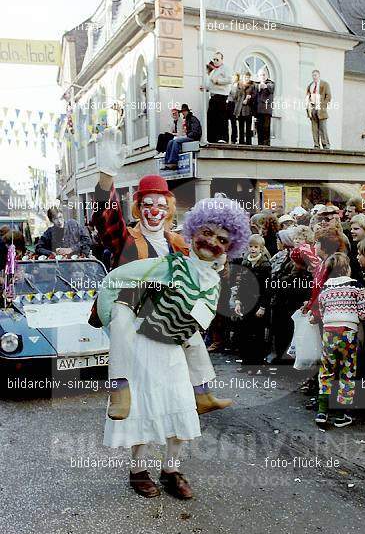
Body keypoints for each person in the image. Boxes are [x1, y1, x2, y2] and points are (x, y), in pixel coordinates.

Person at [95, 197, 250, 500]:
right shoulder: (168, 263)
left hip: (172, 348)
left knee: (179, 407)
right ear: (193, 232)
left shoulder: (214, 278)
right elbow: (115, 280)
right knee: (142, 408)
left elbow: (199, 321)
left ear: (230, 246)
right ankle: (137, 468)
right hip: (142, 344)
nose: (212, 242)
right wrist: (110, 314)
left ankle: (171, 469)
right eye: (206, 232)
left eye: (222, 239)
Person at [90, 127, 230, 418]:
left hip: (165, 312)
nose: (155, 210)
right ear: (139, 208)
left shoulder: (179, 242)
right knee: (119, 322)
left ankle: (202, 393)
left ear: (169, 209)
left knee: (191, 335)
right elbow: (107, 218)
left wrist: (217, 262)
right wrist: (106, 177)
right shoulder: (126, 238)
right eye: (148, 204)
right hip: (131, 307)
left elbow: (199, 271)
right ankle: (119, 390)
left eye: (161, 205)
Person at [315, 252, 365, 427]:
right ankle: (343, 412)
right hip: (348, 331)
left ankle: (322, 411)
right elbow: (364, 313)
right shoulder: (356, 286)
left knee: (327, 370)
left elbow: (322, 311)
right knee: (347, 370)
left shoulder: (324, 288)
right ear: (347, 268)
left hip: (329, 331)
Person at [235, 234, 271, 369]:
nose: (253, 249)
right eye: (251, 246)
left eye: (256, 247)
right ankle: (245, 362)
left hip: (258, 301)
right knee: (244, 332)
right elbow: (241, 284)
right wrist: (238, 301)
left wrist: (263, 306)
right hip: (246, 301)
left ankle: (256, 363)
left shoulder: (265, 264)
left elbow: (267, 288)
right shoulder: (245, 262)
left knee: (257, 334)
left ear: (261, 248)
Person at [204, 51, 231, 143]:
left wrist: (218, 81)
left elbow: (229, 79)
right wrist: (205, 87)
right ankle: (212, 138)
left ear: (221, 60)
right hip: (213, 96)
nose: (215, 61)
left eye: (217, 59)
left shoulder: (225, 68)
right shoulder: (214, 71)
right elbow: (210, 83)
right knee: (211, 117)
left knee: (221, 118)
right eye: (214, 59)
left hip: (221, 96)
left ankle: (223, 138)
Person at [165, 104, 202, 169]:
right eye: (182, 112)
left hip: (193, 138)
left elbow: (195, 132)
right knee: (170, 142)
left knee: (176, 141)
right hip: (189, 136)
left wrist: (187, 135)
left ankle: (173, 162)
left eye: (183, 112)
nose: (182, 113)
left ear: (187, 111)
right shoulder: (187, 120)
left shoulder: (193, 119)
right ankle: (167, 162)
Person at [305, 69, 331, 149]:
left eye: (315, 75)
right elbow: (307, 97)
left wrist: (323, 105)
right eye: (313, 75)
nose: (314, 77)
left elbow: (328, 96)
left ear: (319, 75)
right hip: (313, 109)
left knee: (323, 128)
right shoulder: (310, 86)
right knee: (314, 129)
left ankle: (326, 145)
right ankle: (316, 145)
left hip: (321, 109)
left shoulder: (324, 84)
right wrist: (308, 108)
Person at [254, 69, 275, 146]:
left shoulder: (271, 83)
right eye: (260, 75)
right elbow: (254, 93)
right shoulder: (256, 84)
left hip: (266, 110)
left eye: (264, 75)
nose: (262, 76)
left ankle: (266, 145)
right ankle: (260, 145)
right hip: (258, 110)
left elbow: (271, 89)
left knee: (266, 129)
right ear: (258, 76)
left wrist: (264, 85)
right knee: (259, 129)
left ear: (267, 76)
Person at [235, 72, 256, 145]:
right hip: (240, 109)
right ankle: (241, 141)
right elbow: (236, 96)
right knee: (240, 126)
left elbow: (254, 96)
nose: (246, 78)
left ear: (249, 78)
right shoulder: (239, 85)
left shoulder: (253, 85)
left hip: (248, 109)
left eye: (247, 77)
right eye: (245, 77)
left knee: (248, 126)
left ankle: (248, 142)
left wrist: (248, 100)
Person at [226, 72, 240, 144]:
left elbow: (235, 96)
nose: (233, 78)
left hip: (233, 104)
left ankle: (234, 138)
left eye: (235, 77)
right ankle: (226, 137)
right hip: (227, 103)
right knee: (226, 121)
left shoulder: (236, 85)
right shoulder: (229, 84)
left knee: (233, 121)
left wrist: (230, 90)